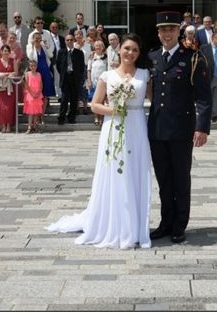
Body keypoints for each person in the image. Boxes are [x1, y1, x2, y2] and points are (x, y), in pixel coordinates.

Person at [47, 33, 152, 249]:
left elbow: (155, 99)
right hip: (113, 127)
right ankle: (113, 224)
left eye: (134, 50)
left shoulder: (144, 75)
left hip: (138, 128)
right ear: (119, 49)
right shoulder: (107, 76)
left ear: (139, 53)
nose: (130, 53)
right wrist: (114, 110)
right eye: (126, 48)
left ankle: (135, 226)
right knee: (115, 172)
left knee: (135, 173)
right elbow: (95, 105)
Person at [148, 11, 211, 244]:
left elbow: (204, 97)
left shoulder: (193, 58)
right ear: (158, 32)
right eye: (163, 30)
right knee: (164, 179)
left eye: (172, 29)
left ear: (179, 31)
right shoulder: (153, 57)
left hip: (182, 128)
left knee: (181, 179)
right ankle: (165, 222)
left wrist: (202, 128)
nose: (167, 33)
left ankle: (179, 225)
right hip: (157, 129)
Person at [0, 44, 19, 133]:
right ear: (1, 52)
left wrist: (7, 74)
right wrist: (6, 74)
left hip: (10, 88)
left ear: (9, 52)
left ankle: (8, 125)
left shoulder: (13, 61)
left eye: (7, 51)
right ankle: (3, 125)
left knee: (8, 107)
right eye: (4, 51)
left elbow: (16, 73)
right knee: (1, 108)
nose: (5, 52)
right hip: (0, 88)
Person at [56, 34, 86, 125]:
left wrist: (79, 77)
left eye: (71, 40)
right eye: (67, 40)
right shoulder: (61, 52)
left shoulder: (79, 52)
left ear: (74, 41)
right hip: (65, 78)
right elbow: (58, 66)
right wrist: (64, 74)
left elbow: (81, 67)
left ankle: (71, 117)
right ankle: (61, 117)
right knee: (64, 99)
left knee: (74, 99)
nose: (69, 41)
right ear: (65, 41)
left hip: (75, 78)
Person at [27, 31, 56, 122]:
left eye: (39, 39)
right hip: (36, 73)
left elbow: (51, 55)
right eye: (36, 39)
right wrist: (32, 46)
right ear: (33, 39)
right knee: (37, 94)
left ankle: (42, 115)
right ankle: (36, 114)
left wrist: (46, 46)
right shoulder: (29, 47)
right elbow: (30, 57)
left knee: (46, 95)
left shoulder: (43, 46)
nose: (38, 40)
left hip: (45, 72)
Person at [200, 32, 217, 124]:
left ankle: (214, 115)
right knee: (207, 98)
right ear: (213, 38)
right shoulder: (204, 48)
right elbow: (200, 62)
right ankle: (205, 116)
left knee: (216, 98)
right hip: (207, 77)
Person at [87, 40, 108, 126]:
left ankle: (102, 118)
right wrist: (89, 81)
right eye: (96, 46)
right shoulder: (91, 57)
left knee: (102, 101)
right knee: (94, 100)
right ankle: (96, 117)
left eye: (100, 46)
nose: (98, 47)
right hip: (94, 82)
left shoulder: (106, 57)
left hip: (103, 83)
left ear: (103, 47)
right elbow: (88, 70)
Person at [23, 59, 43, 133]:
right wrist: (32, 93)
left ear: (36, 66)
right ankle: (29, 126)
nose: (33, 67)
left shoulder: (39, 74)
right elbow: (27, 85)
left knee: (36, 112)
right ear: (29, 66)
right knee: (31, 112)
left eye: (34, 66)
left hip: (37, 94)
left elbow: (41, 85)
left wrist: (38, 92)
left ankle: (35, 126)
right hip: (30, 94)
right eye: (31, 66)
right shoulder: (27, 74)